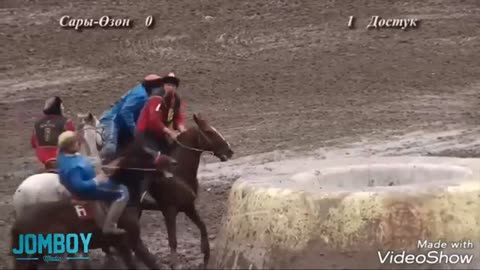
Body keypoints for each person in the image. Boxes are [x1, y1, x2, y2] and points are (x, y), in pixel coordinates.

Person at [57, 130, 129, 235]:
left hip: (88, 181)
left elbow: (79, 158)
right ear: (69, 146)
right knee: (123, 191)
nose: (79, 144)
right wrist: (97, 180)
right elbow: (79, 186)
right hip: (89, 190)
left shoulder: (64, 156)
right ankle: (109, 226)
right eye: (76, 142)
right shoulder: (74, 168)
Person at [98, 74, 164, 163]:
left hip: (121, 123)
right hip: (111, 120)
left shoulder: (141, 90)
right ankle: (96, 167)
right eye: (159, 87)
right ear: (153, 88)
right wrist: (135, 130)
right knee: (110, 148)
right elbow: (125, 111)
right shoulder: (141, 96)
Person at [31, 96, 75, 172]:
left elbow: (33, 143)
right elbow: (73, 142)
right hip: (61, 159)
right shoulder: (66, 122)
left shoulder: (37, 123)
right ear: (59, 108)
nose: (63, 108)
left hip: (43, 159)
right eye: (62, 106)